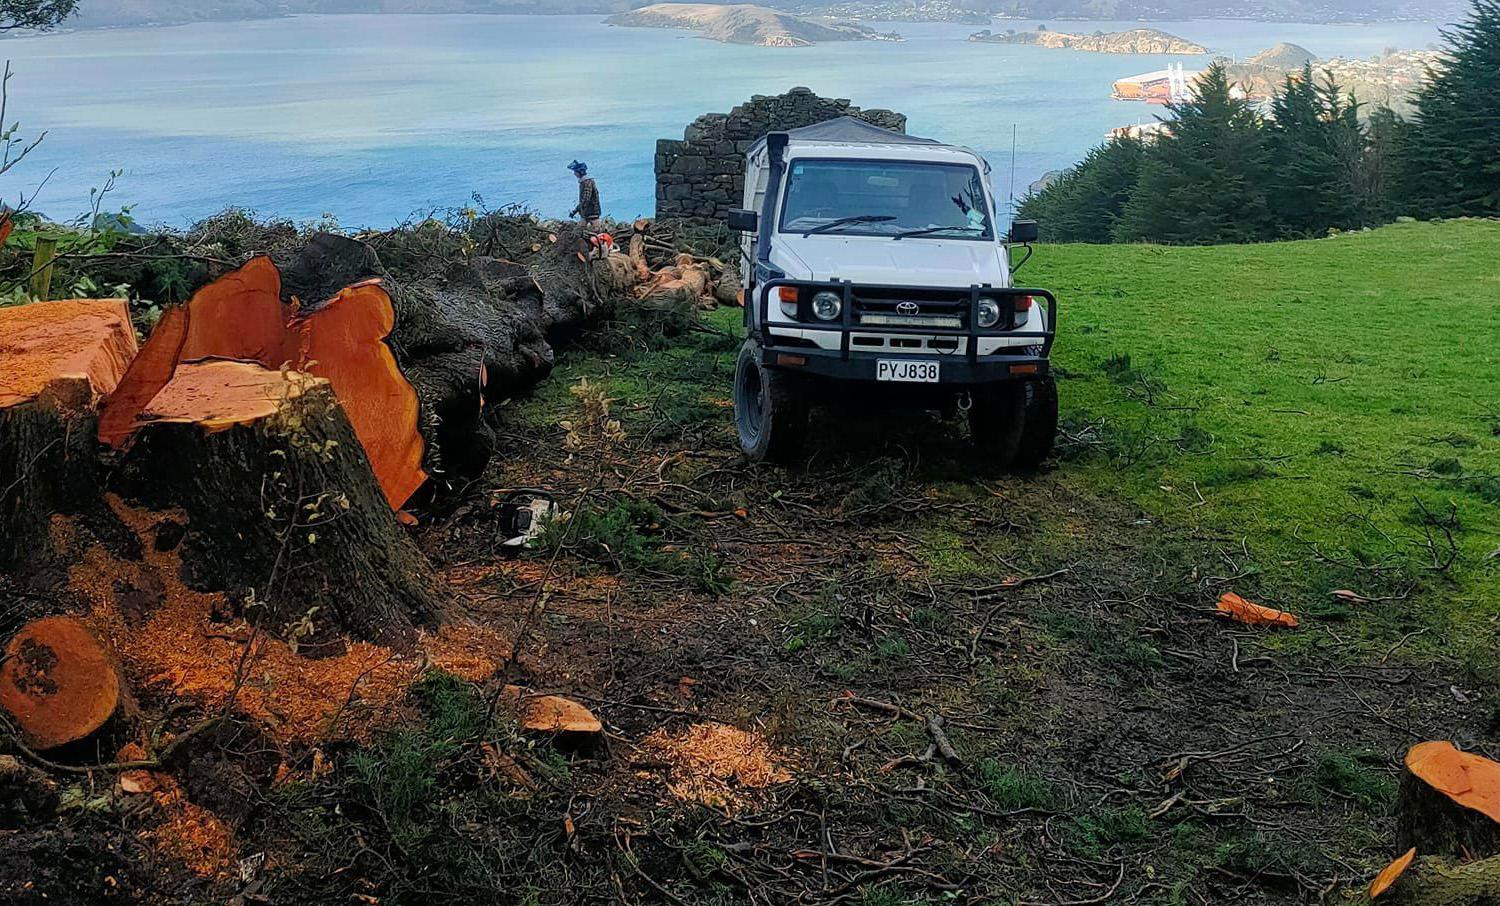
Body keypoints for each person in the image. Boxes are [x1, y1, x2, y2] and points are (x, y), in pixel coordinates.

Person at [568, 160, 602, 232]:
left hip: (591, 213)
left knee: (592, 233)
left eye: (575, 172)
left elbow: (586, 199)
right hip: (588, 213)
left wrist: (576, 210)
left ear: (580, 172)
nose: (574, 174)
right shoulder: (585, 182)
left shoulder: (587, 183)